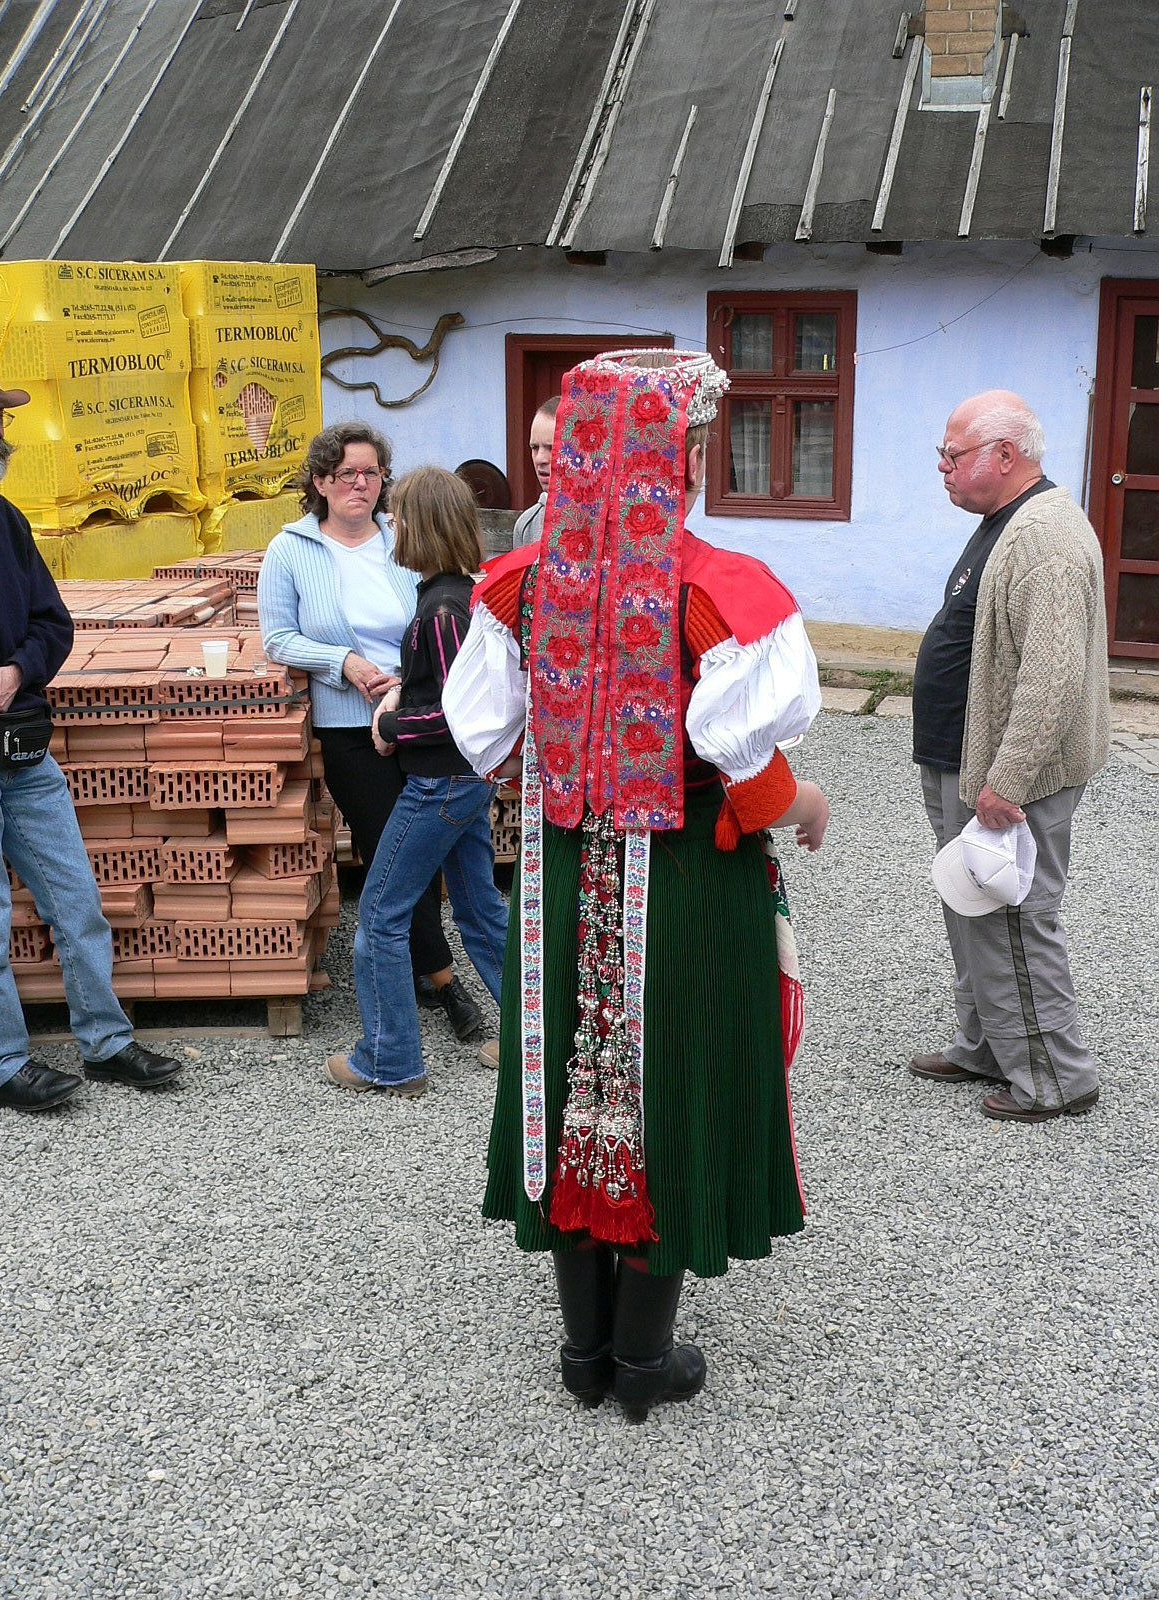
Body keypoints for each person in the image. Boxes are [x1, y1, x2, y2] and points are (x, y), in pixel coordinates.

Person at [441, 349, 830, 1420]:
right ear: (686, 454)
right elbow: (743, 762)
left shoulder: (516, 584)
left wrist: (574, 766)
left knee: (574, 1076)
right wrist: (804, 807)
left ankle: (585, 1352)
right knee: (674, 1071)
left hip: (561, 868)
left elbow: (484, 738)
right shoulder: (720, 590)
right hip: (692, 873)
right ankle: (645, 1360)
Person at [0, 344, 182, 1112]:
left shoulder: (4, 518)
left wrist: (15, 672)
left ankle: (107, 1042)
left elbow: (52, 626)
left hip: (20, 735)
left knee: (75, 898)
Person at [910, 389, 1110, 1124]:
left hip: (1004, 777)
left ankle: (1058, 1078)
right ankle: (989, 1045)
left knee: (1015, 914)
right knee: (974, 906)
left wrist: (1007, 781)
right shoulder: (1010, 521)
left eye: (952, 454)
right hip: (965, 759)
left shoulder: (1043, 538)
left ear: (1004, 455)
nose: (943, 467)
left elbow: (1052, 676)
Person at [258, 422, 485, 1043]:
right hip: (352, 727)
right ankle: (447, 984)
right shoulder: (291, 549)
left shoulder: (402, 536)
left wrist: (406, 689)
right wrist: (345, 664)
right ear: (320, 482)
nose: (361, 484)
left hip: (416, 720)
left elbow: (438, 620)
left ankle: (417, 971)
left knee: (421, 857)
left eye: (372, 472)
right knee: (393, 851)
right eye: (347, 473)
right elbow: (278, 637)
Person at [324, 467, 509, 1098]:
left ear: (423, 526)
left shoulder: (441, 608)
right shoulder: (459, 596)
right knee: (482, 912)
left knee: (380, 913)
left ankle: (390, 1059)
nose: (389, 525)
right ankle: (543, 1040)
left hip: (442, 785)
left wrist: (396, 723)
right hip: (464, 781)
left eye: (398, 516)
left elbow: (460, 712)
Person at [511, 396, 559, 548]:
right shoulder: (527, 525)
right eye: (535, 448)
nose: (540, 459)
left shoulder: (601, 521)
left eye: (551, 448)